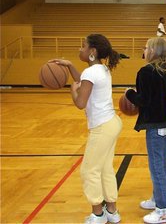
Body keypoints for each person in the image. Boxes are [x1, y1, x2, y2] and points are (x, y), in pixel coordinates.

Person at [50, 34, 122, 224]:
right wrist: (69, 66)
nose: (79, 49)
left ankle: (98, 214)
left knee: (89, 171)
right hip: (112, 123)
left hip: (102, 127)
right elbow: (85, 81)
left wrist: (73, 91)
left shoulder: (91, 73)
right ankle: (112, 212)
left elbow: (81, 102)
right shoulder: (101, 69)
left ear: (92, 52)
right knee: (105, 168)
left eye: (83, 46)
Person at [124, 37, 166, 224]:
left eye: (146, 47)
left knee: (157, 167)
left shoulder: (146, 71)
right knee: (161, 164)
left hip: (156, 124)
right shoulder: (165, 71)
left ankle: (164, 210)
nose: (143, 50)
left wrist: (129, 93)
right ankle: (158, 198)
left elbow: (142, 100)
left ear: (153, 51)